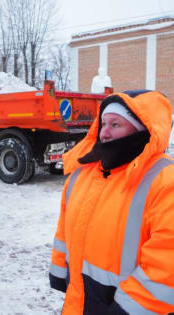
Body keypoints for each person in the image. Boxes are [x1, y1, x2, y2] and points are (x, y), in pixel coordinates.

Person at [49, 89, 174, 314]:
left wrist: (126, 309)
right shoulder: (82, 174)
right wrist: (59, 271)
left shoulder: (164, 181)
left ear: (142, 130)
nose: (104, 133)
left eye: (115, 125)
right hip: (79, 302)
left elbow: (167, 264)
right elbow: (63, 232)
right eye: (103, 124)